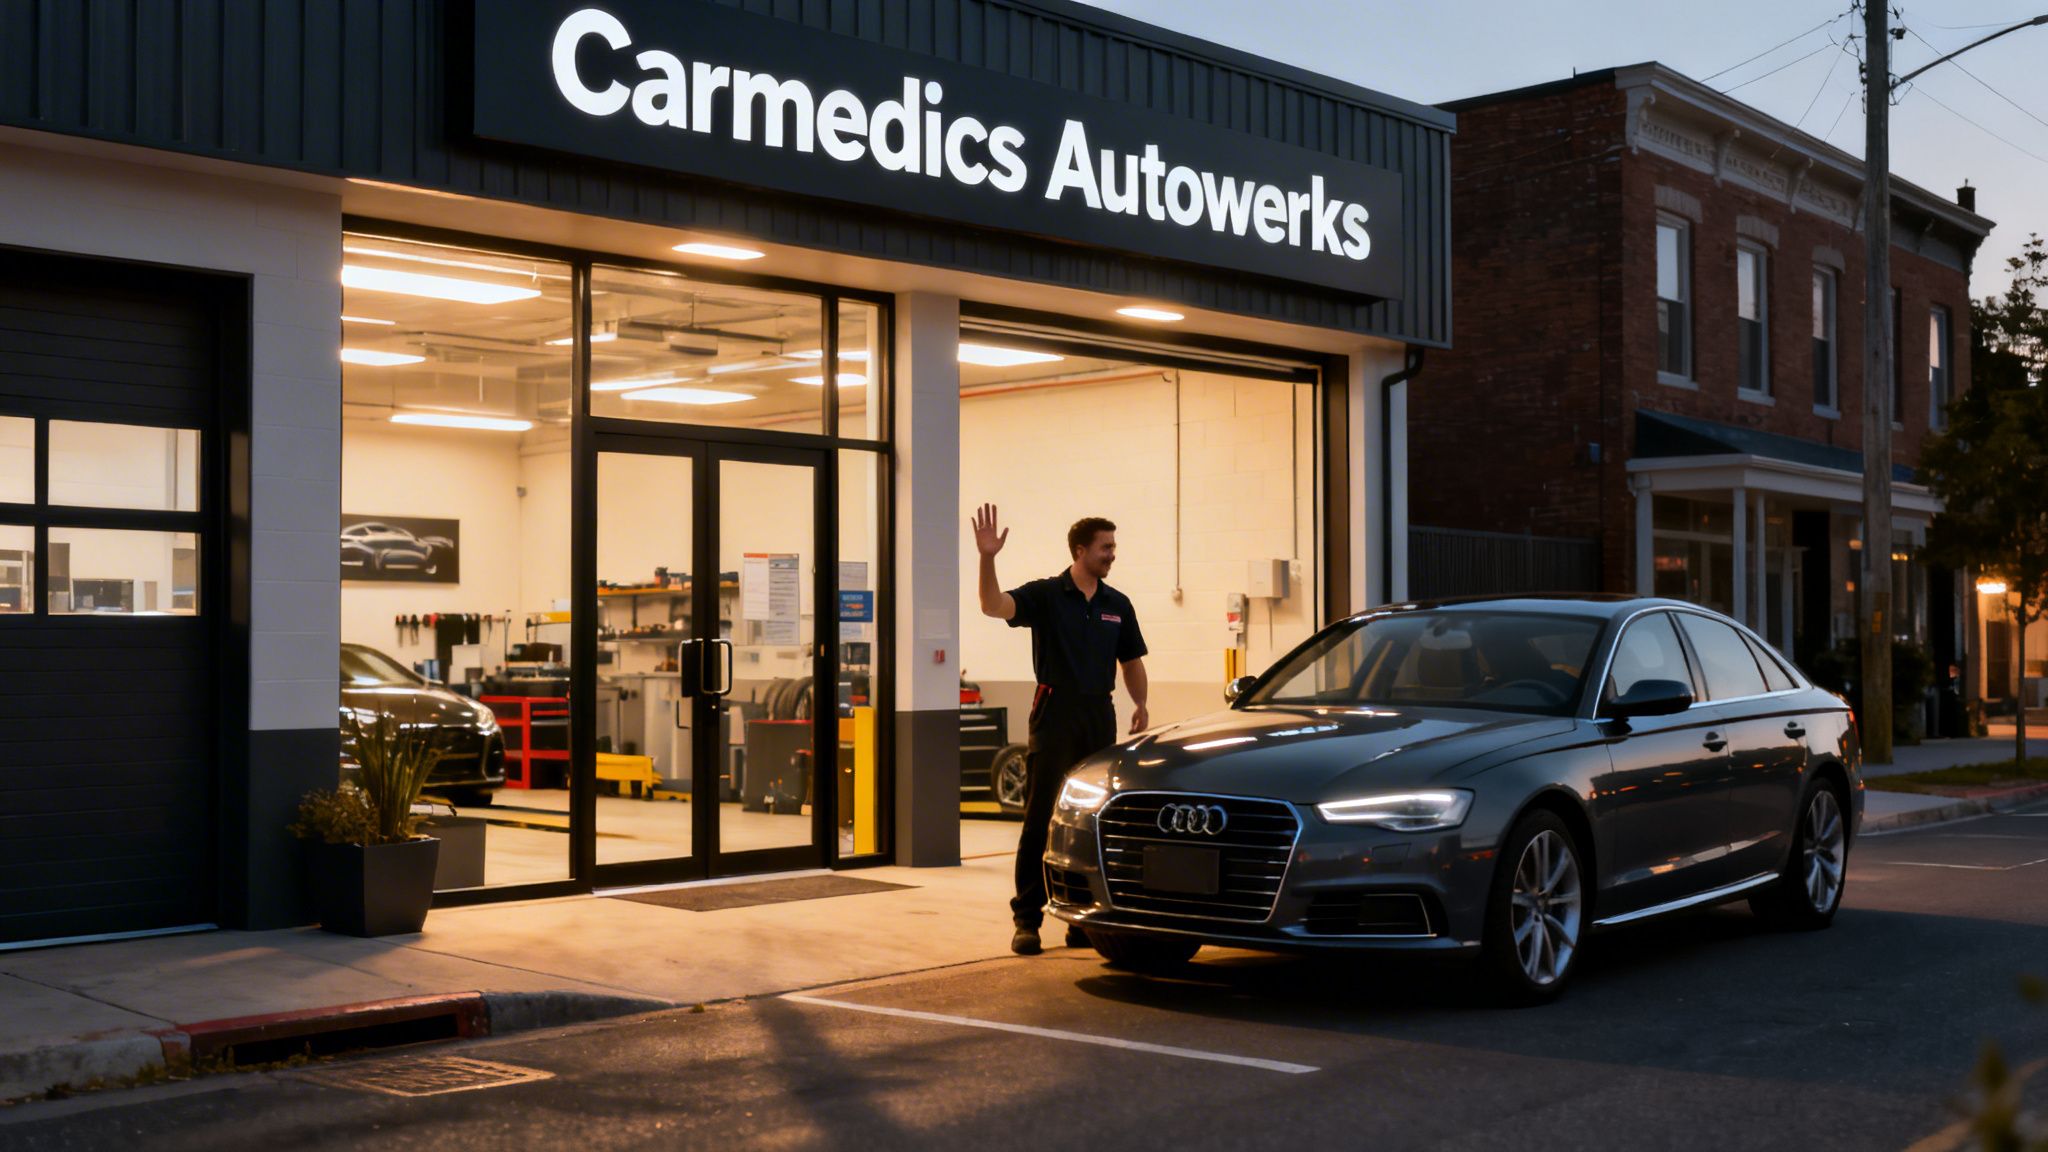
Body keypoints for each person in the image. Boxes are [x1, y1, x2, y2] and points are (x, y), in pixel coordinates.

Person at [973, 504, 1148, 956]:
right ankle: (1027, 920)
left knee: (1093, 818)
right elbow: (993, 606)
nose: (1112, 553)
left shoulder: (1117, 604)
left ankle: (1081, 918)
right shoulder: (1048, 595)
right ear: (1080, 550)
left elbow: (1131, 660)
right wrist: (987, 557)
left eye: (1113, 546)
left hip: (1098, 714)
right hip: (1054, 711)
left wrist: (1142, 704)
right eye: (1105, 547)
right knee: (1041, 817)